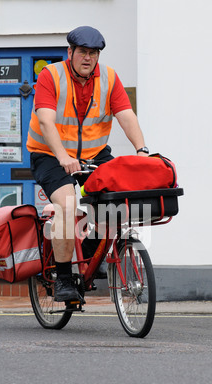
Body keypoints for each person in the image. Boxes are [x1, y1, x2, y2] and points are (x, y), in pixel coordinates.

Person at [27, 26, 149, 302]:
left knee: (117, 198)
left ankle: (94, 253)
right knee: (68, 205)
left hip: (94, 154)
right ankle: (63, 278)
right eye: (82, 52)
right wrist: (62, 157)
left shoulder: (108, 77)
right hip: (49, 154)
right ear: (70, 52)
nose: (88, 58)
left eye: (93, 53)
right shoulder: (52, 75)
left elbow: (126, 115)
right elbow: (46, 120)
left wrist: (142, 150)